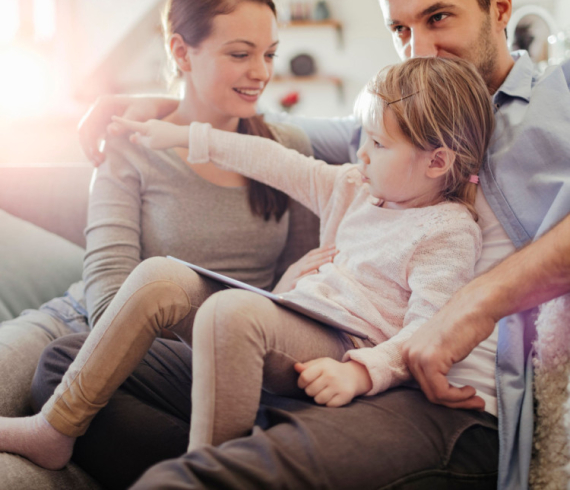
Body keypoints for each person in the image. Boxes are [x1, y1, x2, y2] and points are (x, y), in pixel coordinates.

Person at [37, 0, 570, 488]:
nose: (420, 49)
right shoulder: (388, 136)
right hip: (331, 356)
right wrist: (163, 105)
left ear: (500, 6)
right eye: (399, 28)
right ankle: (251, 445)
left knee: (186, 477)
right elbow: (274, 141)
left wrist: (481, 301)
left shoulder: (557, 103)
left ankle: (231, 460)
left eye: (438, 17)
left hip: (436, 399)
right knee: (67, 365)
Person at [0, 56, 494, 464]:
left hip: (344, 345)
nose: (361, 155)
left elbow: (428, 330)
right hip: (295, 319)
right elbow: (271, 159)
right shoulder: (353, 188)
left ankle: (204, 474)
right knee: (158, 278)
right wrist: (183, 136)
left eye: (379, 144)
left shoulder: (448, 231)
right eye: (363, 138)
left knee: (231, 312)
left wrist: (363, 373)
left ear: (436, 162)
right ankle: (54, 428)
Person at [0, 0, 323, 487]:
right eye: (240, 54)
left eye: (269, 54)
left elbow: (304, 286)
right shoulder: (130, 144)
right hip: (88, 322)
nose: (261, 72)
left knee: (68, 386)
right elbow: (108, 286)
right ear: (181, 50)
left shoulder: (287, 152)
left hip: (215, 354)